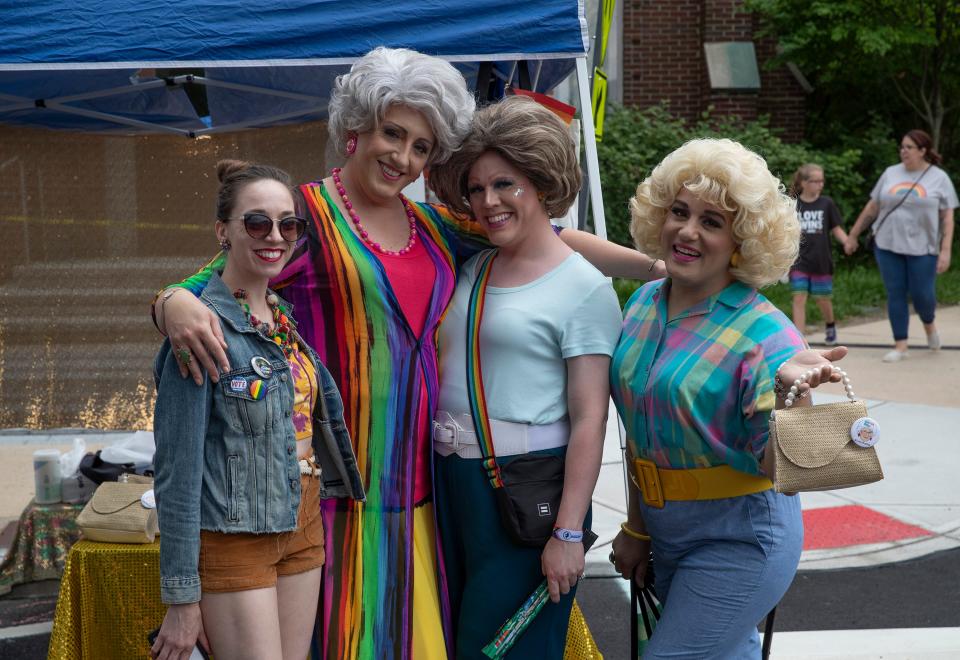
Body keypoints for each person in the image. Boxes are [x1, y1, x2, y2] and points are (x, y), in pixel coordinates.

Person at [151, 47, 661, 659]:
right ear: (356, 129)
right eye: (393, 133)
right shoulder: (305, 215)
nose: (403, 157)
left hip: (427, 489)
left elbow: (546, 233)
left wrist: (662, 268)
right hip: (337, 490)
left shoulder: (433, 223)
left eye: (422, 146)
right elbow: (214, 282)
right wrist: (171, 303)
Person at [608, 138, 849, 657]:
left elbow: (790, 473)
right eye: (678, 212)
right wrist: (638, 528)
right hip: (666, 531)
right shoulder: (644, 304)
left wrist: (794, 397)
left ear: (742, 240)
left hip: (741, 540)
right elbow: (638, 435)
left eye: (712, 222)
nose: (687, 231)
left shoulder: (769, 334)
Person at [428, 96, 626, 658]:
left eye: (506, 185)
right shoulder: (475, 262)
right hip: (450, 485)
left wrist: (568, 534)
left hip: (527, 490)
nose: (488, 202)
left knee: (503, 648)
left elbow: (591, 418)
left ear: (540, 182)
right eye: (476, 188)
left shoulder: (585, 288)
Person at [150, 160, 364, 660]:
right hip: (235, 536)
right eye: (256, 222)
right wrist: (182, 597)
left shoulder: (282, 319)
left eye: (288, 224)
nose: (275, 235)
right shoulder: (200, 328)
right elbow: (176, 471)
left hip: (303, 522)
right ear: (223, 231)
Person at [843, 129, 957, 362]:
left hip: (923, 248)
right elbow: (872, 207)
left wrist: (945, 250)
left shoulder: (939, 178)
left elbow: (947, 217)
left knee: (923, 295)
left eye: (909, 147)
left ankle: (929, 323)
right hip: (887, 244)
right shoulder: (890, 173)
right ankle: (901, 345)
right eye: (902, 147)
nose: (903, 151)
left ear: (923, 151)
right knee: (895, 293)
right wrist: (853, 235)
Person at [788, 163, 849, 344]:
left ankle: (830, 324)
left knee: (822, 298)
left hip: (821, 260)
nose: (820, 185)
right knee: (799, 297)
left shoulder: (826, 203)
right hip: (799, 261)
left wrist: (847, 242)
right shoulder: (794, 205)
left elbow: (836, 229)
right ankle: (799, 339)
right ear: (804, 183)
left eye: (821, 181)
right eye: (815, 181)